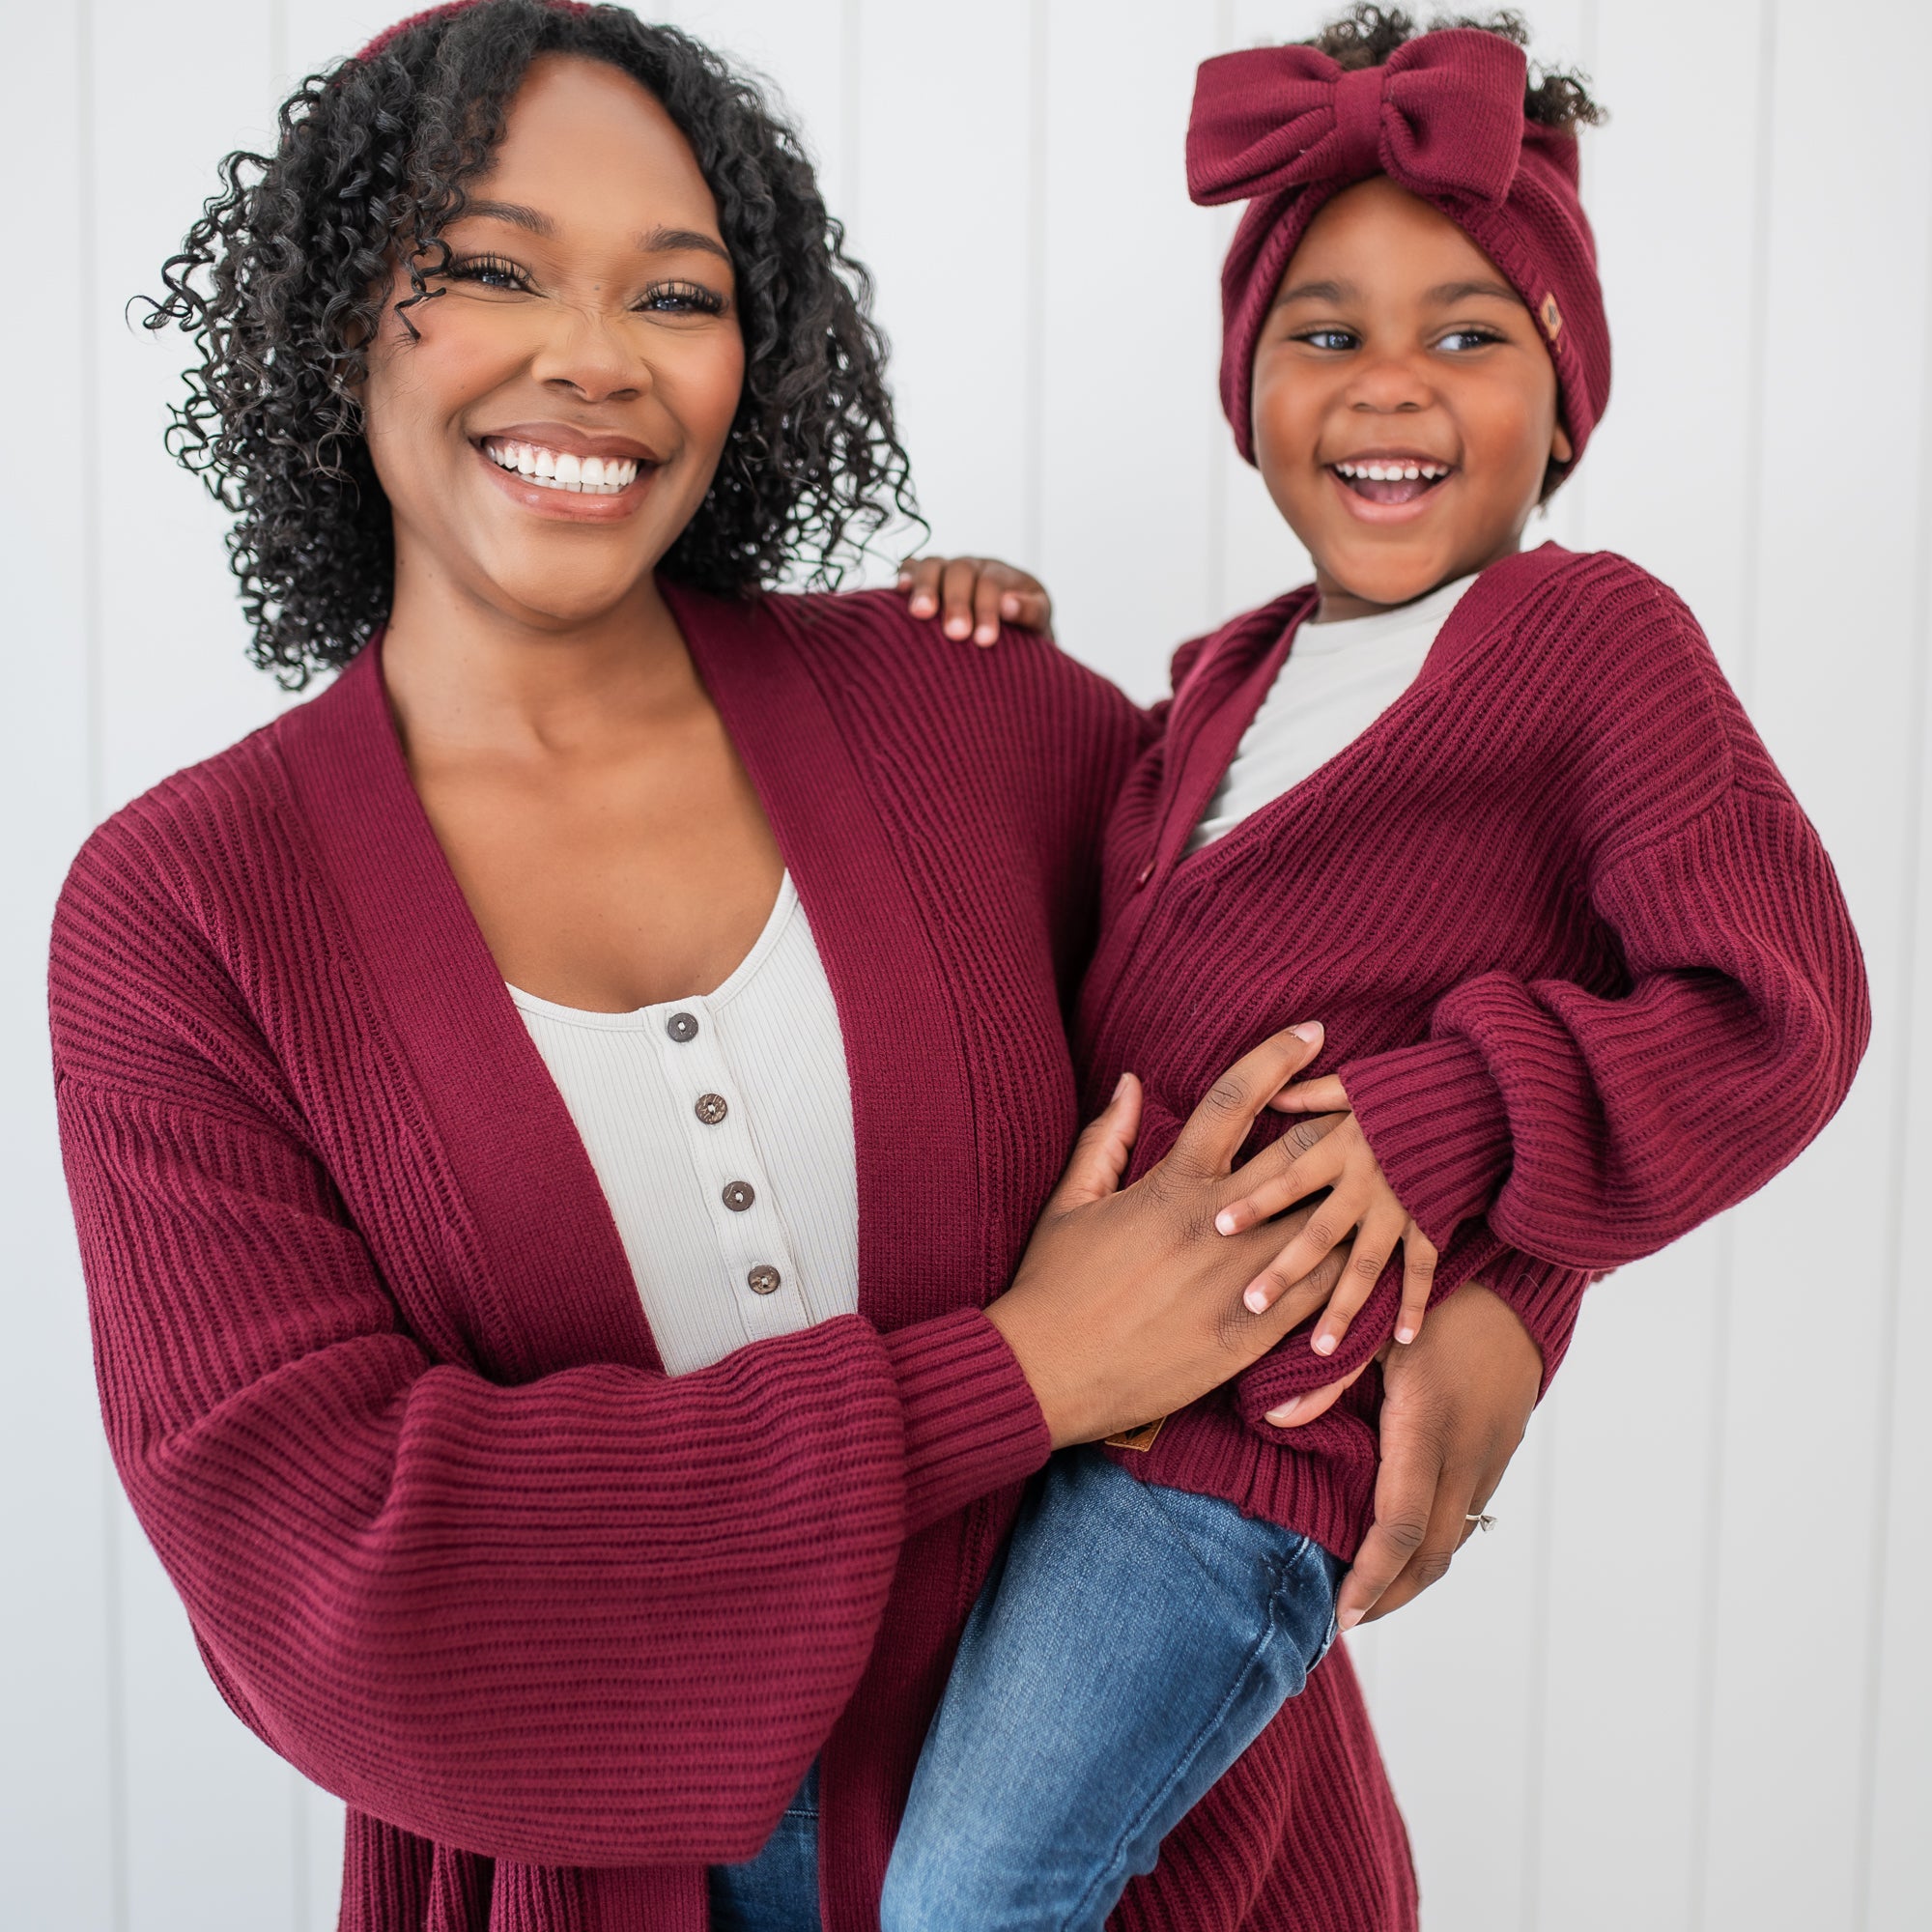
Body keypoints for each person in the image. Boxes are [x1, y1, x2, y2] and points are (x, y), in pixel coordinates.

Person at [46, 5, 1537, 1929]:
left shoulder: (971, 721)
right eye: (491, 267)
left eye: (678, 293)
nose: (594, 358)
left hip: (1184, 1859)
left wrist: (1504, 1297)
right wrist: (1025, 1370)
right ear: (342, 314)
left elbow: (1415, 950)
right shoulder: (183, 913)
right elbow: (336, 1566)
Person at [880, 10, 1871, 1930]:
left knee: (970, 1900)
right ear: (1243, 392)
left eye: (1466, 333)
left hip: (1240, 1472)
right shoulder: (1224, 681)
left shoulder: (1590, 641)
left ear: (1568, 402)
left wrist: (1455, 1114)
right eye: (1322, 334)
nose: (1386, 385)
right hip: (1072, 1396)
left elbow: (1778, 1009)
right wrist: (981, 639)